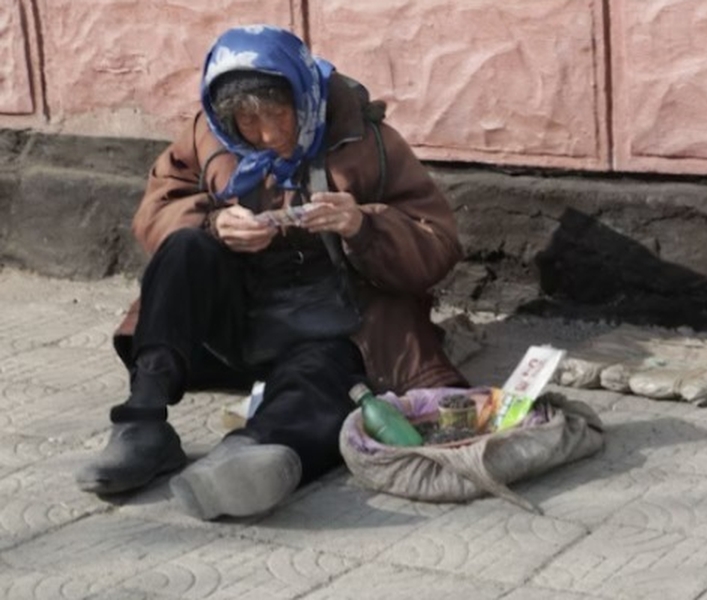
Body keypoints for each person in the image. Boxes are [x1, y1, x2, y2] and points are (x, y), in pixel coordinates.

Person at [75, 25, 467, 520]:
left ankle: (251, 452)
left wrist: (363, 224)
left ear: (302, 97)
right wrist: (216, 223)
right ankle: (143, 425)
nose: (268, 136)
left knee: (325, 381)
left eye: (278, 115)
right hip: (236, 318)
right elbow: (159, 207)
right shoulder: (205, 135)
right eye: (246, 122)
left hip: (332, 320)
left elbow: (437, 242)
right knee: (186, 249)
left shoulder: (368, 141)